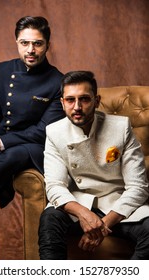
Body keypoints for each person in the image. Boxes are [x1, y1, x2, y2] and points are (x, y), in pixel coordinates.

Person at [0, 16, 65, 260]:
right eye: (24, 43)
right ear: (16, 42)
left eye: (37, 43)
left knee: (16, 151)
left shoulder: (59, 81)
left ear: (48, 45)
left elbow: (44, 130)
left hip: (36, 150)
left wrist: (1, 142)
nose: (31, 50)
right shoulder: (3, 69)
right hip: (0, 150)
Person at [38, 70, 149, 260]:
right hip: (78, 201)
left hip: (116, 201)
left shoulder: (121, 128)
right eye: (70, 100)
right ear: (62, 103)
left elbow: (138, 187)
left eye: (85, 99)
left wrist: (102, 226)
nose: (77, 107)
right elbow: (55, 186)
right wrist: (83, 214)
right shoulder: (54, 132)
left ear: (96, 101)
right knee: (49, 220)